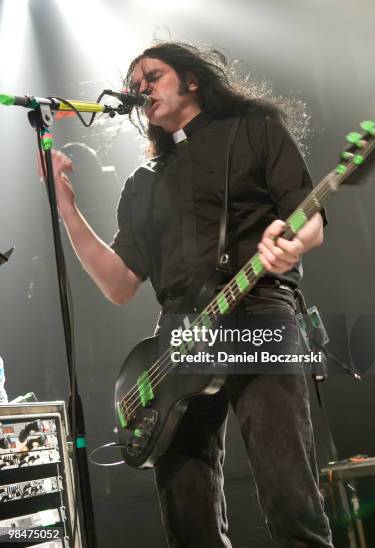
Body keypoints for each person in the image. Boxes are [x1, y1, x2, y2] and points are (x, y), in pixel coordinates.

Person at [45, 42, 333, 547]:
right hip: (177, 334)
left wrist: (292, 245)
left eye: (151, 77)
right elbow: (118, 285)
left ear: (192, 80)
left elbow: (308, 215)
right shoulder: (143, 182)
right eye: (134, 86)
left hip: (259, 310)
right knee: (186, 514)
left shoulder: (255, 131)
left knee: (289, 493)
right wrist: (67, 209)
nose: (140, 90)